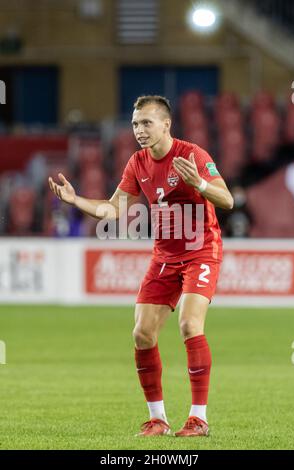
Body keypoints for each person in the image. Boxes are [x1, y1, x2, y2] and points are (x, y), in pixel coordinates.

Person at [49, 95, 234, 437]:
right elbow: (114, 210)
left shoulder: (192, 155)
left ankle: (198, 418)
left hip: (201, 251)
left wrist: (200, 184)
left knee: (190, 324)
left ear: (166, 124)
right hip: (164, 256)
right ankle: (158, 420)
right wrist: (76, 201)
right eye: (135, 124)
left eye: (146, 123)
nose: (139, 130)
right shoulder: (137, 162)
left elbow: (227, 199)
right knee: (142, 333)